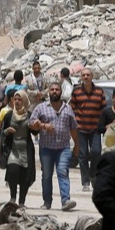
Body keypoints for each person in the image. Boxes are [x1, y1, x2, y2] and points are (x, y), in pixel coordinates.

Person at [29, 82, 78, 210]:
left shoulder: (67, 109)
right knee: (46, 175)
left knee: (62, 172)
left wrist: (77, 145)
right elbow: (31, 123)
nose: (54, 92)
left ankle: (66, 201)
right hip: (46, 148)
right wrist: (42, 125)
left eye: (57, 89)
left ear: (61, 92)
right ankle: (47, 202)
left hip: (63, 148)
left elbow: (73, 128)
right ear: (49, 92)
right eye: (52, 90)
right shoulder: (41, 108)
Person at [69, 68, 106, 191]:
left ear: (92, 76)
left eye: (88, 75)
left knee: (96, 152)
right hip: (81, 128)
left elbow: (104, 109)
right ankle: (85, 182)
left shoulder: (99, 92)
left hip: (95, 129)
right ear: (81, 77)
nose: (85, 77)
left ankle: (93, 174)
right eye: (83, 75)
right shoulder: (76, 92)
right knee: (82, 155)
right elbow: (71, 109)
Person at [0, 93, 37, 206]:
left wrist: (36, 126)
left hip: (26, 149)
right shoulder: (9, 115)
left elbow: (35, 132)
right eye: (15, 99)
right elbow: (3, 132)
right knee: (13, 172)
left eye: (20, 99)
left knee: (25, 177)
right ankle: (13, 198)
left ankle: (21, 202)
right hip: (13, 150)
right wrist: (7, 131)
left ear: (24, 101)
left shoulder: (30, 116)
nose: (17, 102)